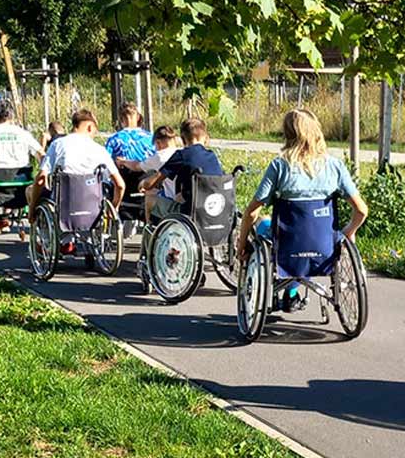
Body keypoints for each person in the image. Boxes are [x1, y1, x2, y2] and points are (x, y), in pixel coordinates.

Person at [235, 109, 369, 311]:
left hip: (288, 244)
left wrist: (242, 243)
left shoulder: (280, 166)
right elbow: (361, 210)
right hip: (323, 244)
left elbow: (252, 211)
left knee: (263, 222)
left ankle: (288, 291)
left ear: (288, 134)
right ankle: (292, 293)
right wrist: (349, 231)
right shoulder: (335, 166)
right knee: (309, 238)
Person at [28, 109, 125, 215]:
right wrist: (114, 207)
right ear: (90, 127)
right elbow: (120, 185)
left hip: (63, 204)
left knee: (29, 190)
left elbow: (40, 179)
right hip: (93, 207)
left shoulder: (57, 144)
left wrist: (32, 209)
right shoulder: (100, 150)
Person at [0, 102, 44, 234]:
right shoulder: (23, 133)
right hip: (22, 180)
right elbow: (40, 153)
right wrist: (43, 171)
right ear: (12, 115)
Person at [139, 117, 223, 221]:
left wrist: (143, 183)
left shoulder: (181, 155)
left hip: (189, 214)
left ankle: (151, 236)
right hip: (214, 210)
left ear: (183, 140)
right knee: (179, 197)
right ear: (206, 138)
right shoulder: (212, 156)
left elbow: (151, 183)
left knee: (150, 199)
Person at [119, 125, 179, 222]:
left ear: (158, 143)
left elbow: (137, 166)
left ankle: (149, 228)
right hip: (184, 199)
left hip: (172, 202)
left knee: (149, 196)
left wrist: (123, 162)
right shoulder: (181, 153)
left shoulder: (160, 156)